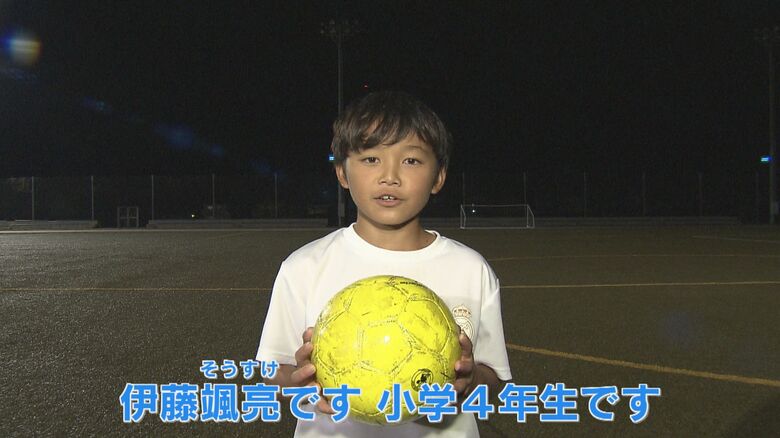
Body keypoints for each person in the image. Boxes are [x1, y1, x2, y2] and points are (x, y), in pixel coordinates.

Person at [257, 91, 511, 437]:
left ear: (438, 177)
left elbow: (493, 376)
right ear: (342, 172)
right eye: (371, 159)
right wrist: (299, 381)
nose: (390, 176)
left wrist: (469, 381)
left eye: (411, 161)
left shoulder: (470, 269)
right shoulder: (304, 267)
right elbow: (273, 371)